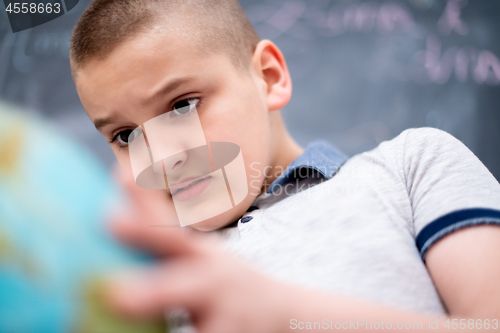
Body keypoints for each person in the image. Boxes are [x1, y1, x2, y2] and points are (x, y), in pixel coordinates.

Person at [69, 0, 500, 332]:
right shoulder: (142, 280)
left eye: (182, 106)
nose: (163, 159)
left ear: (270, 77)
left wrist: (282, 313)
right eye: (126, 136)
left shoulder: (410, 167)